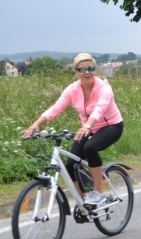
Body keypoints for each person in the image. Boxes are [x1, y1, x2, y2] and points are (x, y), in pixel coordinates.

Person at [21, 53, 124, 206]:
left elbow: (99, 110)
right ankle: (83, 202)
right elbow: (56, 108)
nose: (87, 72)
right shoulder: (72, 89)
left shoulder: (104, 88)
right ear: (76, 72)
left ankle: (97, 192)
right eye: (82, 69)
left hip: (111, 126)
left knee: (91, 147)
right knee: (70, 165)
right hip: (87, 129)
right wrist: (36, 124)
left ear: (95, 70)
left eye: (91, 68)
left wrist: (87, 126)